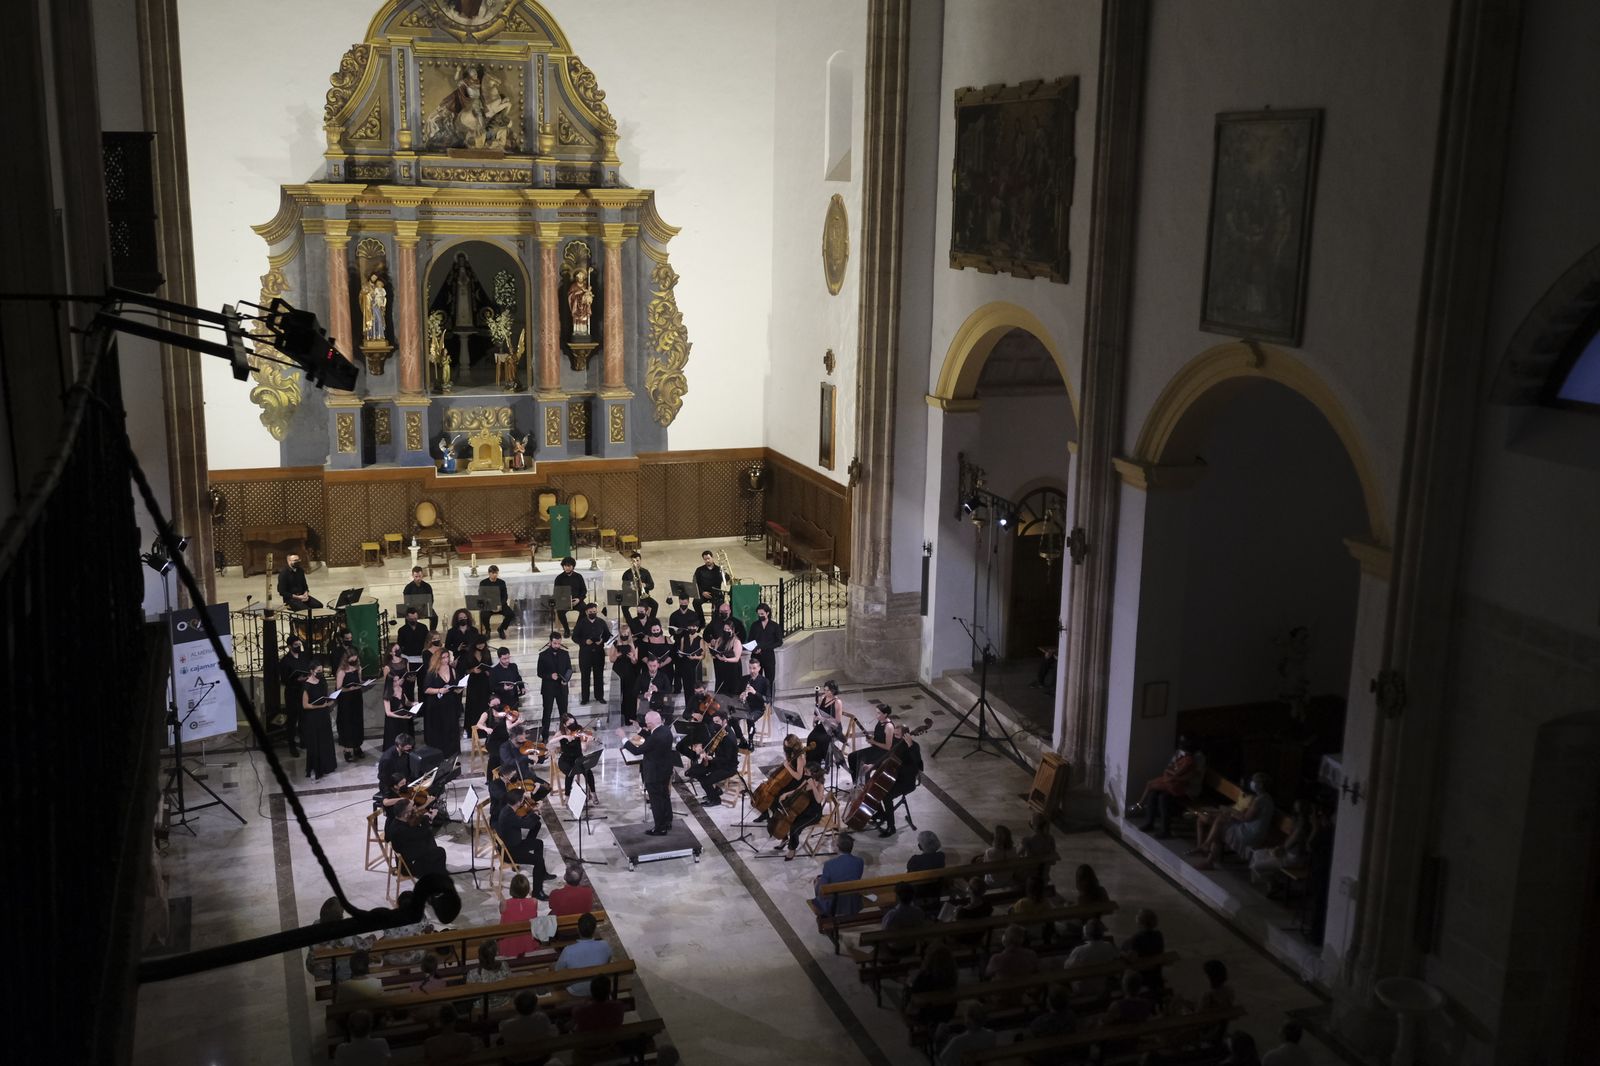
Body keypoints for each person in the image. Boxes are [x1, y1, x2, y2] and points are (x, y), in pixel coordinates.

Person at [1192, 772, 1276, 870]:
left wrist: (1230, 810)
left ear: (1261, 785)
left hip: (1250, 834)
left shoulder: (1259, 800)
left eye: (1255, 781)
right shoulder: (1267, 799)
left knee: (1219, 828)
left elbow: (1245, 818)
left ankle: (1207, 853)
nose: (1252, 783)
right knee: (1220, 822)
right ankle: (1207, 852)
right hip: (1253, 831)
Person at [1129, 734, 1203, 837]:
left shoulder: (1197, 758)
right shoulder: (1181, 753)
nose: (1181, 745)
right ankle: (1150, 823)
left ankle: (1165, 830)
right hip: (1175, 783)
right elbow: (1169, 768)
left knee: (1164, 797)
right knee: (1153, 793)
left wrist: (1173, 775)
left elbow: (1189, 777)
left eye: (1183, 742)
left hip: (1187, 789)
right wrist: (1172, 774)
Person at [623, 710, 679, 835]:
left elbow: (637, 751)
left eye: (647, 723)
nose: (646, 725)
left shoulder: (656, 736)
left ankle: (660, 828)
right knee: (664, 796)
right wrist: (639, 730)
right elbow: (652, 738)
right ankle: (667, 821)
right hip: (665, 770)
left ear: (649, 724)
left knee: (656, 801)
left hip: (654, 774)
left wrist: (623, 739)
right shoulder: (665, 730)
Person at [305, 897, 375, 982]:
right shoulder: (344, 935)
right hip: (332, 970)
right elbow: (361, 948)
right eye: (342, 912)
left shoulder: (316, 924)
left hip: (312, 966)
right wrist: (371, 938)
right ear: (339, 916)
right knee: (357, 959)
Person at [495, 788, 550, 892]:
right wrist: (537, 812)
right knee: (538, 860)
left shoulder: (508, 809)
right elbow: (528, 825)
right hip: (511, 852)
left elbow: (520, 821)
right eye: (523, 799)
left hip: (513, 844)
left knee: (539, 843)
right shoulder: (509, 815)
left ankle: (542, 874)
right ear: (519, 802)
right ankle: (537, 892)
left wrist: (533, 812)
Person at [901, 943, 959, 1033]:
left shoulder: (924, 978)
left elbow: (915, 995)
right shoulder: (951, 975)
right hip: (947, 1012)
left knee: (907, 990)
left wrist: (909, 984)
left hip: (927, 1015)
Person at [776, 764, 827, 861]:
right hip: (803, 809)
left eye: (806, 772)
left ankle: (792, 849)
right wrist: (786, 794)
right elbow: (797, 790)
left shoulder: (820, 784)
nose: (804, 773)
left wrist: (813, 786)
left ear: (813, 774)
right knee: (787, 820)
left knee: (794, 828)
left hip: (813, 814)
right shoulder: (806, 780)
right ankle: (784, 838)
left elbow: (819, 800)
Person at [386, 799, 448, 879]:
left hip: (408, 855)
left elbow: (417, 831)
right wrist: (428, 819)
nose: (415, 808)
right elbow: (423, 832)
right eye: (412, 808)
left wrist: (426, 817)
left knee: (429, 839)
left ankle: (436, 870)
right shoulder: (401, 830)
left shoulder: (397, 821)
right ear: (405, 815)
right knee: (440, 852)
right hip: (410, 867)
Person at [553, 912, 612, 995]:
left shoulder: (568, 950)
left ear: (578, 930)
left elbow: (558, 970)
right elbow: (607, 962)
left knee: (553, 968)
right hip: (599, 988)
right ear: (594, 930)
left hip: (576, 990)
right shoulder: (605, 945)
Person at [420, 643, 460, 757]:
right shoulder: (432, 672)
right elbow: (426, 689)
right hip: (436, 705)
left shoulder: (452, 669)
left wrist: (458, 690)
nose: (446, 660)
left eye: (447, 657)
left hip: (450, 703)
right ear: (438, 659)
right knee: (439, 729)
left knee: (451, 728)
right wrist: (439, 690)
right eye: (443, 658)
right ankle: (439, 753)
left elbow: (455, 684)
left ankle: (452, 752)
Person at [301, 660, 338, 780]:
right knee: (315, 742)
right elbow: (305, 705)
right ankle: (318, 768)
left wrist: (330, 700)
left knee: (325, 740)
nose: (321, 673)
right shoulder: (306, 685)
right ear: (312, 671)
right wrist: (320, 706)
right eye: (318, 671)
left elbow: (324, 696)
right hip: (313, 717)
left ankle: (328, 765)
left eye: (322, 671)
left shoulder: (322, 681)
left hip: (323, 715)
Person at [813, 831, 865, 914]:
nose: (833, 843)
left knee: (817, 882)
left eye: (835, 842)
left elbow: (822, 890)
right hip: (853, 902)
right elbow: (856, 876)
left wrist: (817, 884)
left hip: (836, 905)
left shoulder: (829, 865)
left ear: (837, 847)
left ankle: (824, 915)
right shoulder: (859, 861)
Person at [1064, 918, 1120, 993]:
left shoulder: (1079, 950)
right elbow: (1116, 958)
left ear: (1086, 934)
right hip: (1101, 986)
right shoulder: (1108, 946)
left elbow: (1067, 967)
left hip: (1082, 988)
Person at [1122, 907, 1167, 997]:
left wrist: (1122, 954)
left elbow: (1132, 959)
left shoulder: (1136, 938)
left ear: (1140, 922)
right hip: (1156, 974)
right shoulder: (1158, 935)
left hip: (1141, 976)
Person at [280, 636, 313, 756]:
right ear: (289, 646)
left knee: (304, 718)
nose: (298, 647)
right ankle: (292, 745)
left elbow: (309, 668)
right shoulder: (285, 661)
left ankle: (304, 741)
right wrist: (296, 680)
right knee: (292, 720)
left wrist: (307, 676)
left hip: (304, 691)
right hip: (292, 693)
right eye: (295, 645)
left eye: (299, 644)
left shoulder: (304, 656)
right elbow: (283, 680)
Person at [847, 702, 898, 781]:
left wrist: (874, 742)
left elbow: (888, 747)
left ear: (885, 714)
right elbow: (880, 736)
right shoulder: (880, 721)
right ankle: (856, 781)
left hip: (882, 753)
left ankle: (866, 783)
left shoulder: (889, 727)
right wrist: (872, 738)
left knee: (862, 763)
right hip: (875, 749)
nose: (876, 715)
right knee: (851, 756)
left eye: (878, 713)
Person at [572, 601, 610, 704]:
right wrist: (585, 641)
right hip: (585, 654)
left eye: (594, 611)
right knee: (585, 676)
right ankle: (585, 698)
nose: (593, 613)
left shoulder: (601, 622)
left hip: (598, 653)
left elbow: (607, 635)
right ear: (586, 612)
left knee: (599, 675)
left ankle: (599, 696)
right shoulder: (581, 622)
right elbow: (574, 637)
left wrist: (602, 641)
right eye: (590, 612)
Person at [535, 633, 571, 740]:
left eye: (559, 643)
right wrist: (550, 676)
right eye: (555, 643)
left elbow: (569, 669)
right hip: (548, 688)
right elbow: (539, 673)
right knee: (547, 713)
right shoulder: (543, 655)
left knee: (563, 713)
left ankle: (564, 733)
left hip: (562, 687)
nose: (557, 646)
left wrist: (566, 680)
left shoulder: (565, 654)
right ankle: (545, 735)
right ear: (550, 642)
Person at [498, 873, 542, 957]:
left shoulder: (504, 903)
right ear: (527, 889)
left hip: (510, 937)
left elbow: (501, 912)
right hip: (527, 937)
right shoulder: (534, 902)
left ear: (511, 889)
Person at [334, 652, 367, 763]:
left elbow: (360, 682)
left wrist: (362, 684)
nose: (354, 660)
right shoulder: (341, 671)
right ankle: (347, 750)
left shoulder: (358, 668)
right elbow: (338, 689)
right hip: (346, 701)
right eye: (352, 658)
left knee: (357, 722)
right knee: (347, 724)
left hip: (357, 699)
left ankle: (357, 747)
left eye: (355, 658)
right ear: (346, 658)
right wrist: (349, 689)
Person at [380, 644, 413, 750]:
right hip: (393, 696)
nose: (399, 650)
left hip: (404, 690)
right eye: (396, 649)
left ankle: (407, 745)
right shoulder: (388, 667)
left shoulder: (405, 661)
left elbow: (408, 702)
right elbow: (388, 683)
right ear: (391, 652)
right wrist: (396, 684)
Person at [557, 716, 597, 801]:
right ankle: (567, 797)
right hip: (565, 760)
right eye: (570, 723)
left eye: (574, 722)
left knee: (588, 772)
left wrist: (586, 741)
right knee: (570, 773)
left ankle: (593, 793)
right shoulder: (561, 733)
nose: (573, 725)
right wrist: (563, 737)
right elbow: (550, 744)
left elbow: (584, 749)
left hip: (578, 758)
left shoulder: (579, 731)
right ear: (564, 725)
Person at [465, 940, 512, 1008]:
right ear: (496, 953)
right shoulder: (504, 966)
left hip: (482, 1005)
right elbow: (510, 984)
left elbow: (469, 994)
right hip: (503, 1001)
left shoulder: (472, 974)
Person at [907, 830, 947, 905]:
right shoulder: (941, 856)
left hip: (918, 894)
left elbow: (909, 878)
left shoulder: (914, 860)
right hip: (935, 891)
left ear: (921, 846)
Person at [747, 602, 783, 684]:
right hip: (756, 656)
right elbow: (750, 640)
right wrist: (754, 649)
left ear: (768, 613)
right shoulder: (754, 625)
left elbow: (779, 642)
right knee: (755, 679)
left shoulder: (775, 626)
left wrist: (765, 648)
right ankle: (756, 695)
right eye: (759, 614)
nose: (760, 616)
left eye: (762, 614)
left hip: (769, 656)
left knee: (769, 679)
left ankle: (769, 696)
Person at [552, 556, 586, 637]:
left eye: (569, 566)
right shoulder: (559, 578)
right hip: (564, 602)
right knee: (560, 611)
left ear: (573, 566)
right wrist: (565, 600)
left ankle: (576, 629)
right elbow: (556, 593)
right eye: (565, 566)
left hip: (577, 601)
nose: (567, 568)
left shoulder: (578, 576)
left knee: (585, 609)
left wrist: (578, 599)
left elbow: (583, 590)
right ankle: (566, 630)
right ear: (563, 566)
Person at [477, 565, 514, 639]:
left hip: (500, 605)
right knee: (484, 615)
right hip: (488, 606)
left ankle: (501, 629)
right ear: (489, 573)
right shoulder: (483, 583)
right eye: (493, 573)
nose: (495, 575)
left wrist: (500, 604)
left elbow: (505, 596)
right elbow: (482, 596)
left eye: (496, 573)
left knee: (510, 614)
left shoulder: (502, 582)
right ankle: (488, 630)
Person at [611, 640, 643, 725]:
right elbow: (611, 659)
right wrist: (617, 655)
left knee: (630, 696)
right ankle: (615, 719)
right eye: (623, 632)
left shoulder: (634, 644)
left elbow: (635, 661)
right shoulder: (615, 643)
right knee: (616, 695)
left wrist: (632, 657)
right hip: (618, 671)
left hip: (630, 672)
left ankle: (629, 718)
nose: (624, 635)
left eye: (626, 633)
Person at [487, 645, 524, 714]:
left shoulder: (513, 666)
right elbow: (492, 687)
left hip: (514, 698)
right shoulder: (494, 671)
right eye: (504, 659)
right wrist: (503, 688)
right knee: (504, 722)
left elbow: (518, 677)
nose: (507, 660)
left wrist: (522, 687)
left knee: (514, 717)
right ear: (499, 658)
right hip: (502, 700)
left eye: (508, 658)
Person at [673, 616, 702, 699]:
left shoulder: (700, 640)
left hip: (695, 666)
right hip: (685, 665)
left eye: (693, 626)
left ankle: (695, 707)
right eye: (689, 626)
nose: (691, 628)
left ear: (697, 627)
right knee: (687, 687)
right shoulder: (683, 638)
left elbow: (703, 655)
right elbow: (682, 651)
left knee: (695, 688)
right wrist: (680, 654)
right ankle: (687, 706)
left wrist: (695, 657)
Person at [692, 549, 724, 625]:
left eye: (709, 558)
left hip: (716, 593)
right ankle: (702, 622)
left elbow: (727, 580)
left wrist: (724, 573)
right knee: (695, 602)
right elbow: (695, 583)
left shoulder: (719, 569)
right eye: (705, 559)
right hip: (704, 593)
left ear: (712, 558)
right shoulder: (699, 570)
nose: (707, 561)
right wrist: (702, 592)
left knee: (718, 605)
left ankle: (715, 623)